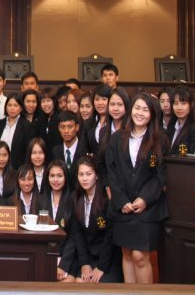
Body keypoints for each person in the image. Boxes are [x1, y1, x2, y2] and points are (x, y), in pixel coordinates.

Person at [106, 92, 168, 284]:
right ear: (131, 110)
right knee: (126, 253)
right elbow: (111, 171)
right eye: (137, 108)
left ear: (152, 114)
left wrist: (144, 199)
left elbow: (160, 175)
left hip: (147, 208)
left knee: (140, 256)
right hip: (123, 206)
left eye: (145, 110)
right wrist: (121, 200)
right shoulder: (116, 138)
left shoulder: (160, 140)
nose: (140, 113)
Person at [61, 155, 122, 283]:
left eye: (88, 174)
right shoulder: (75, 197)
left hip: (108, 259)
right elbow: (77, 233)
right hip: (88, 257)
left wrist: (101, 267)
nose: (84, 178)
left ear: (96, 175)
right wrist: (84, 263)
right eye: (81, 174)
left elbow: (110, 235)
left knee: (94, 286)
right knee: (79, 282)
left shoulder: (106, 198)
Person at [38, 159, 74, 282]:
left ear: (65, 177)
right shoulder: (41, 200)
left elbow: (74, 237)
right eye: (52, 176)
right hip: (45, 256)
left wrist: (62, 265)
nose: (55, 180)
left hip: (67, 258)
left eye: (59, 176)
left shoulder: (73, 200)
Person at [0, 93, 32, 170]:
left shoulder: (27, 125)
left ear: (21, 108)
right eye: (9, 105)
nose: (12, 108)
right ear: (6, 107)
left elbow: (29, 151)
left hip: (18, 168)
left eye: (15, 105)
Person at [52, 110, 86, 189]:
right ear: (58, 128)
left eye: (70, 127)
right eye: (62, 127)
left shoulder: (85, 150)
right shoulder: (55, 151)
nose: (66, 131)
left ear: (77, 127)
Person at [167, 86, 195, 155]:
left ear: (191, 105)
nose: (179, 108)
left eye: (183, 103)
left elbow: (193, 156)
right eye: (176, 103)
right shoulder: (171, 126)